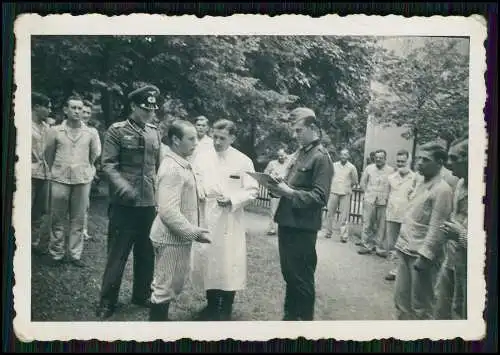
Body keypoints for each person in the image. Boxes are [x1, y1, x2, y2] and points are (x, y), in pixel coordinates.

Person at [96, 85, 162, 319]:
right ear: (133, 106)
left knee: (146, 252)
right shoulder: (117, 131)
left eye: (152, 109)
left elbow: (158, 166)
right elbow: (108, 165)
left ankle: (141, 294)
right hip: (124, 205)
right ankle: (107, 300)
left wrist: (160, 193)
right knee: (118, 254)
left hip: (148, 204)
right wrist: (124, 187)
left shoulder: (155, 132)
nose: (149, 114)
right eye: (145, 109)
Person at [267, 107, 334, 321]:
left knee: (302, 278)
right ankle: (289, 319)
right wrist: (276, 185)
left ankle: (304, 325)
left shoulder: (321, 157)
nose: (295, 136)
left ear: (312, 128)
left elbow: (320, 197)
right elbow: (291, 185)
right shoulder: (301, 154)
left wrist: (290, 192)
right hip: (287, 222)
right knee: (290, 275)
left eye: (298, 131)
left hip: (303, 227)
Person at [190, 119, 259, 321]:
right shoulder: (202, 157)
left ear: (232, 138)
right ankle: (211, 305)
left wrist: (232, 199)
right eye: (215, 137)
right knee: (209, 259)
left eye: (222, 138)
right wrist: (200, 191)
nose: (217, 142)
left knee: (230, 261)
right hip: (208, 215)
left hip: (230, 219)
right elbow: (195, 179)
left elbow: (252, 190)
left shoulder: (243, 161)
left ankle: (226, 306)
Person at [148, 120, 212, 321]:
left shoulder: (181, 163)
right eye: (191, 139)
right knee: (165, 286)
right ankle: (156, 329)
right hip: (170, 238)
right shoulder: (173, 168)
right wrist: (194, 232)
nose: (196, 143)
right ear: (175, 140)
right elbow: (167, 211)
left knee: (172, 284)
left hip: (177, 238)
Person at [393, 142, 453, 320]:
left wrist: (425, 256)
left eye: (425, 160)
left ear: (440, 162)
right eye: (418, 158)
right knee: (401, 299)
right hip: (405, 247)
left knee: (420, 304)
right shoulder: (419, 182)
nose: (419, 163)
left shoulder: (442, 189)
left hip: (421, 255)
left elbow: (437, 227)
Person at [44, 95, 101, 267]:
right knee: (57, 217)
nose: (77, 111)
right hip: (60, 178)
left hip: (82, 180)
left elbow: (94, 155)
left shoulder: (91, 133)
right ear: (66, 110)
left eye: (80, 108)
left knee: (78, 219)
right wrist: (57, 169)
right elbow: (48, 153)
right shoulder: (55, 131)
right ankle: (56, 253)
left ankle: (75, 255)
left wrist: (85, 168)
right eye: (74, 108)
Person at [434, 136, 468, 319]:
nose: (448, 163)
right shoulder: (461, 184)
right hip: (451, 260)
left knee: (465, 313)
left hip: (472, 268)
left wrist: (461, 234)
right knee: (441, 307)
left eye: (455, 158)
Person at [383, 149, 416, 281]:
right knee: (392, 244)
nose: (400, 164)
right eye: (398, 161)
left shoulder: (415, 178)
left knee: (404, 243)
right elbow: (387, 195)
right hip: (392, 214)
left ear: (408, 161)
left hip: (406, 216)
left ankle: (403, 271)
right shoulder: (391, 177)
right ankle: (394, 269)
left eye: (403, 161)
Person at [358, 149, 395, 255]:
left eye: (381, 158)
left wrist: (388, 198)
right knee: (367, 223)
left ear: (385, 159)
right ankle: (366, 245)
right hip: (370, 200)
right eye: (376, 157)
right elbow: (363, 183)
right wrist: (367, 194)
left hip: (383, 202)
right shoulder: (369, 168)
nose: (378, 159)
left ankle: (379, 248)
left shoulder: (391, 171)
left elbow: (393, 186)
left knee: (382, 226)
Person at [321, 148, 359, 242]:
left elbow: (354, 181)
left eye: (345, 155)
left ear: (348, 156)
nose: (343, 156)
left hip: (345, 193)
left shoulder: (352, 167)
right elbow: (329, 177)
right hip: (334, 191)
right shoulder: (334, 165)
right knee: (330, 213)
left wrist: (347, 187)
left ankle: (344, 236)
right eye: (342, 154)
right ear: (339, 155)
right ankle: (328, 232)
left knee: (344, 215)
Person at [31, 92, 52, 255]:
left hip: (44, 174)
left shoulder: (47, 128)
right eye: (47, 107)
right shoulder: (24, 124)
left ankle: (32, 239)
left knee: (40, 209)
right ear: (36, 107)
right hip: (28, 173)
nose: (50, 111)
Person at [80, 99, 102, 241]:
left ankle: (83, 230)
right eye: (84, 112)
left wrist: (91, 167)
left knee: (84, 203)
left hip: (86, 171)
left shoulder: (92, 131)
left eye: (89, 112)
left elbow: (96, 152)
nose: (86, 115)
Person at [263, 148, 290, 235]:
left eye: (282, 155)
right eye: (279, 155)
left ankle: (284, 230)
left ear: (286, 155)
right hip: (275, 190)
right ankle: (272, 229)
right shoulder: (272, 163)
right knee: (273, 211)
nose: (280, 157)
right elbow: (265, 173)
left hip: (286, 190)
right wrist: (272, 176)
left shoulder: (289, 164)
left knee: (285, 211)